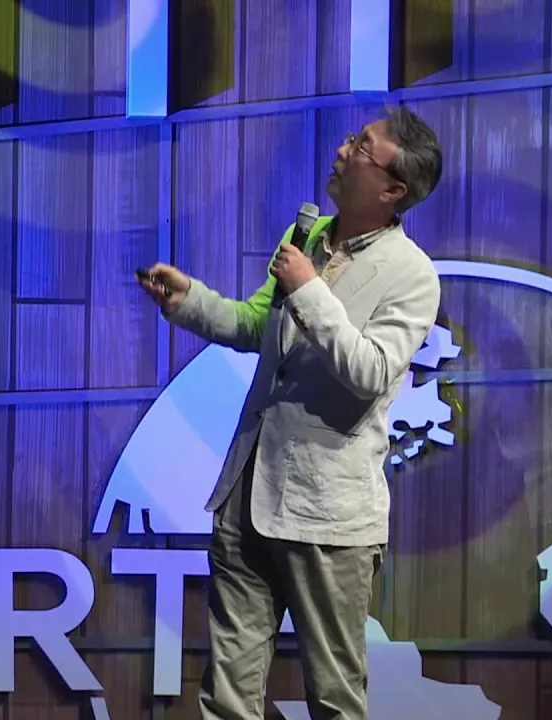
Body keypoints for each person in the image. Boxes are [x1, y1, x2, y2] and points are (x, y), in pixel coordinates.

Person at [138, 106, 443, 719]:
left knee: (333, 698)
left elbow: (371, 372)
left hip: (328, 515)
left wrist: (309, 287)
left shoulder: (413, 275)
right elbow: (259, 326)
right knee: (228, 693)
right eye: (353, 139)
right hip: (249, 490)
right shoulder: (306, 237)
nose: (342, 150)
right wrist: (191, 301)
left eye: (361, 147)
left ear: (393, 189)